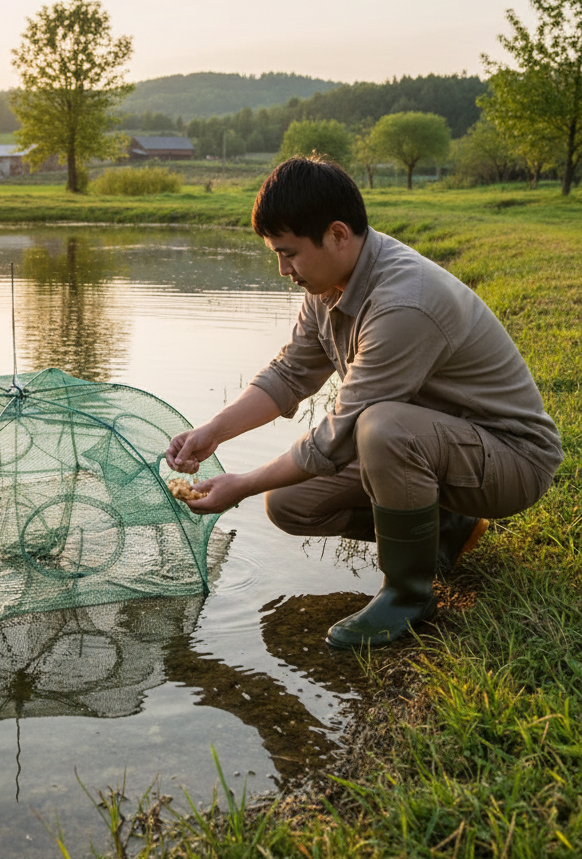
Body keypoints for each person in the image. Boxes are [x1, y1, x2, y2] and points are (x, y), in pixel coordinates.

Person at [166, 156, 563, 649]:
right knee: (290, 504)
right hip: (438, 444)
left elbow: (338, 435)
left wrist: (240, 484)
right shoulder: (329, 283)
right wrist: (213, 432)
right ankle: (444, 529)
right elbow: (291, 374)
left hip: (511, 460)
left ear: (337, 234)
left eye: (289, 254)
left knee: (381, 425)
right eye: (275, 254)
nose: (283, 269)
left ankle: (408, 594)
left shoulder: (403, 302)